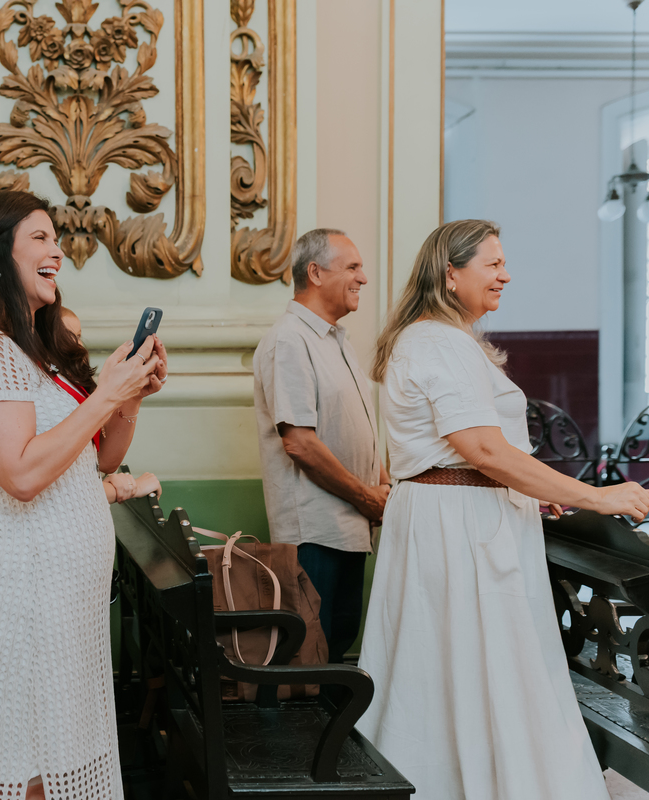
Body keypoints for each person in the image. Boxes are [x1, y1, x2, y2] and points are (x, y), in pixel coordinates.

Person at [357, 219, 649, 799]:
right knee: (488, 666)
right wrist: (597, 495)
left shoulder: (432, 339)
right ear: (451, 273)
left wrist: (532, 487)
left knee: (447, 666)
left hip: (451, 514)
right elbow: (484, 450)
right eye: (492, 264)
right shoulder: (440, 341)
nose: (505, 274)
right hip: (463, 528)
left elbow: (463, 453)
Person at [0, 191, 166, 800]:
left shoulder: (32, 354)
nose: (57, 248)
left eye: (54, 236)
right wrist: (106, 394)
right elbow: (24, 475)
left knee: (67, 778)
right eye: (39, 236)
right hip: (22, 611)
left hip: (63, 615)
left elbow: (93, 461)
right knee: (37, 786)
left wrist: (128, 397)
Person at [252, 228, 389, 663]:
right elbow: (300, 445)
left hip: (349, 528)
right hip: (316, 533)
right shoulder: (289, 339)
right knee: (311, 658)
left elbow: (357, 428)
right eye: (352, 267)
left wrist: (383, 484)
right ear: (315, 272)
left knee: (337, 645)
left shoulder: (335, 339)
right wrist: (369, 497)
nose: (363, 278)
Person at [61, 306, 162, 505]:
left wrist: (133, 398)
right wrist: (126, 488)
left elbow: (105, 462)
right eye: (65, 337)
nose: (78, 345)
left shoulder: (75, 389)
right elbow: (61, 493)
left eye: (79, 336)